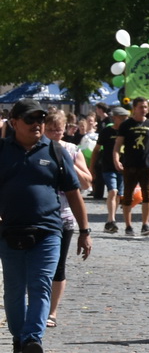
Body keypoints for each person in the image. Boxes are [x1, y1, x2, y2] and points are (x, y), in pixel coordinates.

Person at [0, 100, 91, 353]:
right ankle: (20, 339)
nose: (37, 124)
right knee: (14, 291)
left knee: (40, 284)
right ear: (14, 123)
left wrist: (84, 230)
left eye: (40, 119)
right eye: (30, 119)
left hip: (49, 231)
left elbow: (74, 194)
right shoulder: (2, 151)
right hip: (9, 231)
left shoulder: (55, 151)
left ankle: (32, 340)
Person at [43, 110, 92, 330]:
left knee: (58, 266)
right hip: (40, 215)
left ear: (65, 129)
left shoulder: (72, 150)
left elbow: (87, 182)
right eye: (50, 129)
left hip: (64, 216)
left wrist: (67, 163)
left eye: (58, 129)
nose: (54, 133)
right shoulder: (37, 149)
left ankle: (52, 312)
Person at [114, 97, 149, 235]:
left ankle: (145, 225)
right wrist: (116, 159)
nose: (144, 110)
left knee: (148, 195)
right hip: (130, 165)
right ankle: (128, 226)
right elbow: (117, 145)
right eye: (141, 107)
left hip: (148, 165)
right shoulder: (126, 125)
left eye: (145, 107)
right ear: (134, 108)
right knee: (128, 195)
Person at [93, 106, 122, 231]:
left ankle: (110, 220)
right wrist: (91, 168)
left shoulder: (127, 132)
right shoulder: (106, 132)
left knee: (119, 195)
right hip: (108, 167)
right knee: (113, 191)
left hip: (122, 168)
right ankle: (112, 220)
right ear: (115, 118)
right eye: (122, 118)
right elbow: (96, 150)